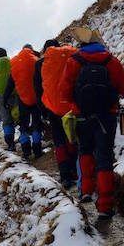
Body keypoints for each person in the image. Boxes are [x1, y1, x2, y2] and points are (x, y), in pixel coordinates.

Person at [57, 26, 124, 218]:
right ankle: (105, 205)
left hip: (82, 116)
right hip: (107, 116)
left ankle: (86, 190)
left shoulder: (74, 61)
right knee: (105, 158)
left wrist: (77, 101)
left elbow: (63, 92)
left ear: (82, 45)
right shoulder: (111, 61)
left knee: (85, 151)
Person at [40, 38, 80, 189]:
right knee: (72, 137)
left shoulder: (41, 63)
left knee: (59, 141)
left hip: (52, 107)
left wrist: (44, 110)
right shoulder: (72, 55)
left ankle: (65, 177)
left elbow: (40, 89)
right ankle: (75, 171)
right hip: (71, 104)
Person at [10, 44, 44, 159]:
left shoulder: (14, 62)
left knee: (23, 124)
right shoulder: (36, 60)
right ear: (31, 50)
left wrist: (5, 98)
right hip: (36, 98)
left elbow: (11, 82)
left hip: (22, 98)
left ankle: (26, 151)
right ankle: (37, 150)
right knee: (36, 123)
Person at [0, 48, 17, 151]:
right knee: (17, 115)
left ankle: (10, 143)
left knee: (6, 119)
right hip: (13, 93)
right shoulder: (11, 61)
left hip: (0, 96)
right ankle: (26, 142)